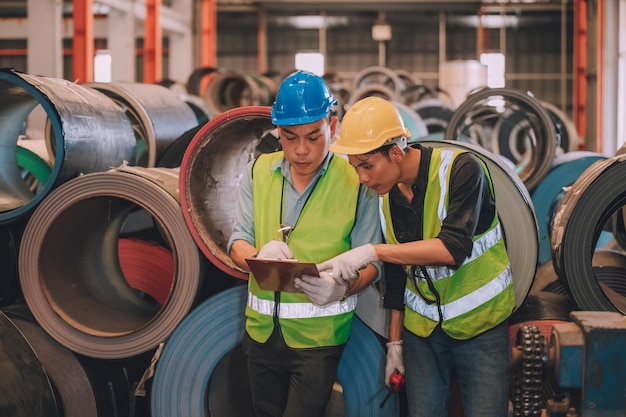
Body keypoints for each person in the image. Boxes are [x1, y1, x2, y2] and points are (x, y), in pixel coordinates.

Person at [321, 96, 515, 417]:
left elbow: (453, 249)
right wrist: (394, 344)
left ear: (396, 152)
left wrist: (374, 251)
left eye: (367, 166)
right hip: (422, 334)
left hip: (480, 327)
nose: (362, 179)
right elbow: (397, 276)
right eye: (356, 168)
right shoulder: (385, 197)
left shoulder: (463, 170)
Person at [227, 70, 382, 417]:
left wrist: (341, 290)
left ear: (333, 126)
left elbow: (373, 261)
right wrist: (256, 256)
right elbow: (238, 240)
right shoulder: (259, 171)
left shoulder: (356, 179)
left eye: (313, 137)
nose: (301, 150)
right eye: (289, 136)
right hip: (260, 333)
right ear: (277, 132)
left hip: (319, 338)